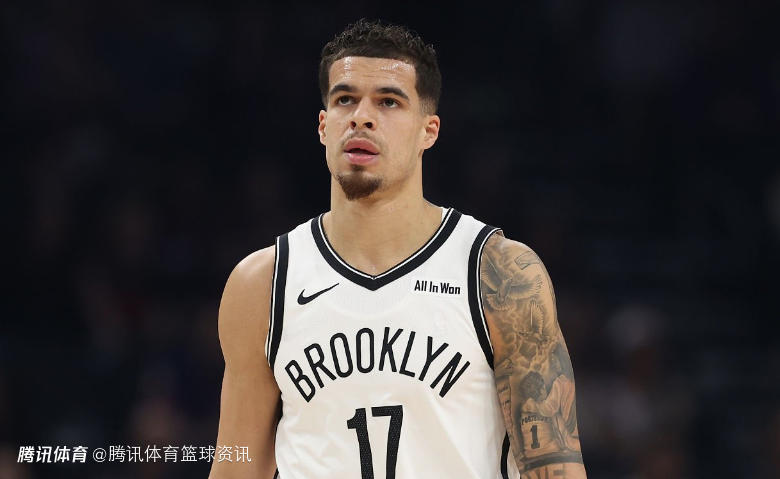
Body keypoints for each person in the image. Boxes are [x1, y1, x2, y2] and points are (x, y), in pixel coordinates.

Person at [209, 19, 587, 479]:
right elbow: (236, 468)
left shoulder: (500, 274)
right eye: (345, 99)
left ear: (429, 130)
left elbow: (556, 468)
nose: (361, 117)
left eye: (388, 101)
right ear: (324, 126)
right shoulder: (262, 284)